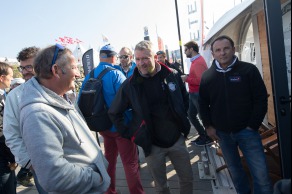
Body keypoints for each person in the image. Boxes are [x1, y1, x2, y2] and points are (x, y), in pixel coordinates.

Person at [19, 44, 110, 194]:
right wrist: (95, 178)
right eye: (74, 68)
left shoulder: (63, 98)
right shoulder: (38, 114)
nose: (79, 74)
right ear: (56, 70)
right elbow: (54, 177)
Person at [109, 41, 193, 194]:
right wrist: (130, 134)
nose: (141, 63)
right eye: (138, 59)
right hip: (152, 145)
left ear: (155, 57)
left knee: (187, 179)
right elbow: (114, 112)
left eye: (145, 58)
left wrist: (182, 118)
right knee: (161, 187)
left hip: (177, 139)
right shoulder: (130, 84)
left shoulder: (171, 75)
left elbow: (184, 98)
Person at [199, 35, 273, 194]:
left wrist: (253, 125)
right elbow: (203, 104)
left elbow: (260, 98)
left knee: (261, 175)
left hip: (248, 132)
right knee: (236, 173)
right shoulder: (207, 77)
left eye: (226, 48)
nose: (222, 53)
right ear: (213, 54)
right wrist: (208, 126)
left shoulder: (248, 70)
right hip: (223, 134)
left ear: (233, 49)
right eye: (218, 50)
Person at [79, 44, 144, 194]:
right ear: (113, 57)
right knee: (130, 163)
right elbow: (129, 99)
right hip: (121, 127)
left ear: (101, 56)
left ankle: (110, 191)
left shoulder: (90, 75)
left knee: (109, 160)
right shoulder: (116, 74)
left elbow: (81, 102)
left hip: (102, 127)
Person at [3, 47, 47, 192]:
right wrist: (30, 163)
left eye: (29, 66)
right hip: (40, 164)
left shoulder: (56, 88)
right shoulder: (15, 96)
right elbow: (11, 134)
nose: (25, 71)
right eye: (22, 67)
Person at [181, 41, 213, 146]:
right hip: (193, 93)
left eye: (185, 49)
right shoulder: (196, 61)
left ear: (191, 49)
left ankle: (208, 137)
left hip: (197, 94)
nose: (184, 52)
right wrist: (189, 76)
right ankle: (203, 134)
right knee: (191, 115)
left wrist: (187, 79)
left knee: (203, 116)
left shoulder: (198, 62)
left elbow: (200, 80)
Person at [0, 62, 17, 194]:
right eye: (10, 77)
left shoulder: (4, 95)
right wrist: (11, 158)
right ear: (2, 78)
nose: (11, 80)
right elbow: (2, 131)